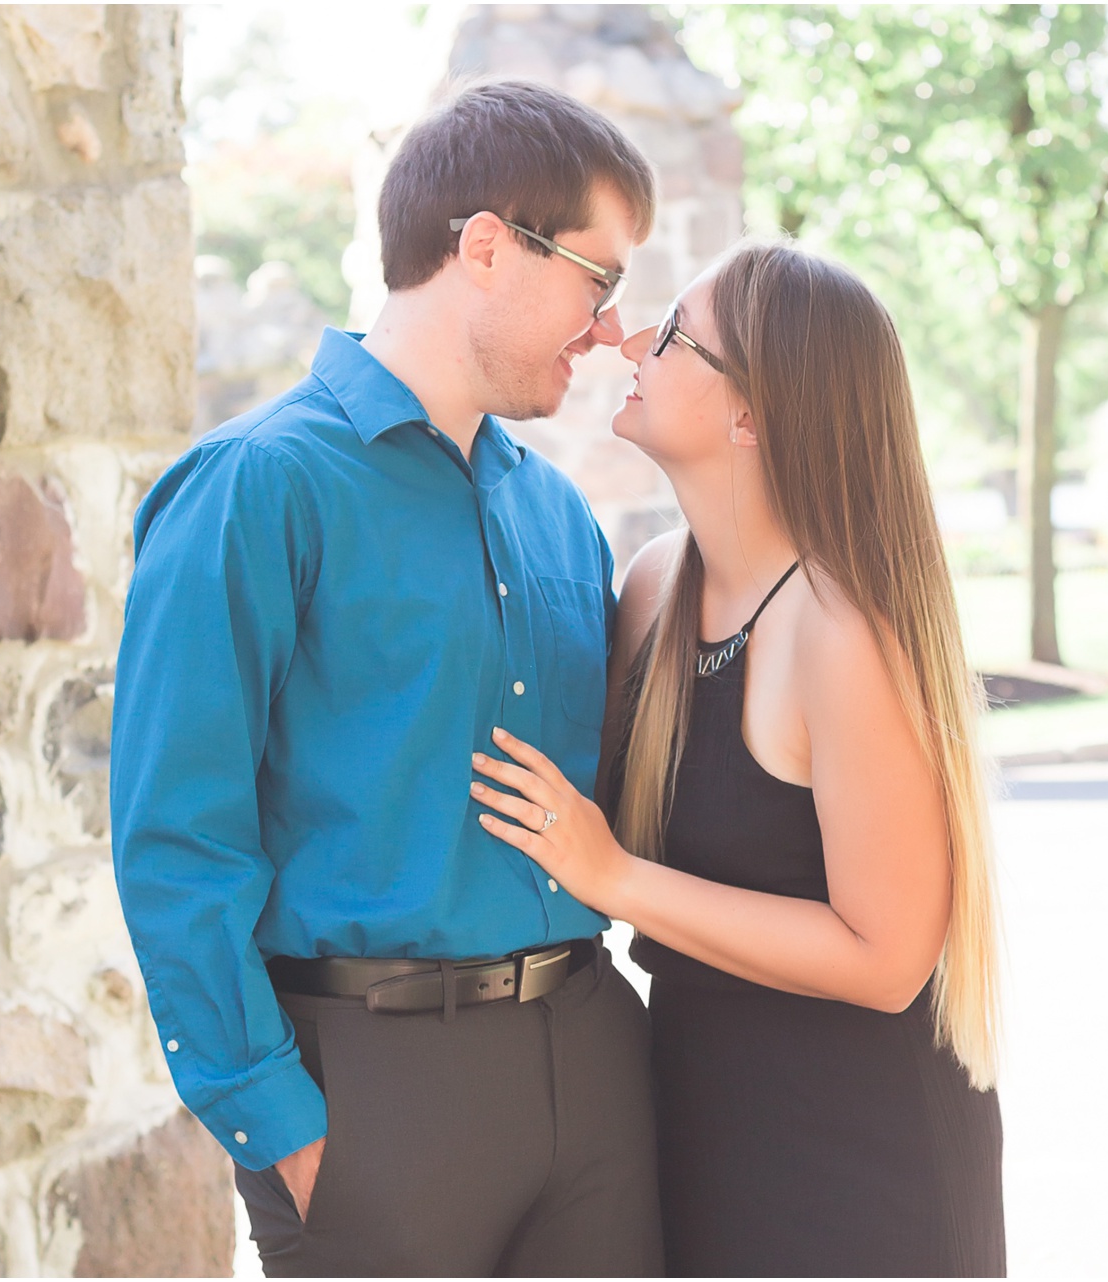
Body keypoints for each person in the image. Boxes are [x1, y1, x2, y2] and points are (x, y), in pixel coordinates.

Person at [110, 80, 665, 1277]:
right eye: (598, 279)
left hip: (589, 1057)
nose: (611, 329)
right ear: (483, 245)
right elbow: (175, 836)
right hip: (369, 1088)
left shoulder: (560, 515)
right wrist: (280, 1125)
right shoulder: (255, 487)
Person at [471, 240, 1007, 1277]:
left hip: (860, 1156)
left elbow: (888, 959)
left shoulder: (839, 630)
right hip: (692, 1119)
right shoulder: (652, 586)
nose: (628, 339)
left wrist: (615, 876)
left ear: (750, 412)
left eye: (672, 335)